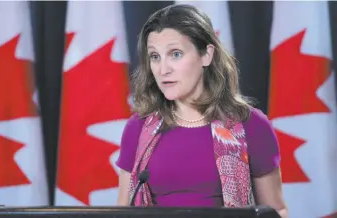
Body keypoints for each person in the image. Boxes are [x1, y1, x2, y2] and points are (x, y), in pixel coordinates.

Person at [115, 4, 287, 218]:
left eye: (175, 54)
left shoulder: (251, 124)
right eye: (155, 56)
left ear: (206, 55)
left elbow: (275, 210)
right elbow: (122, 210)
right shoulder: (138, 127)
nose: (163, 69)